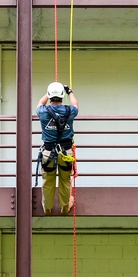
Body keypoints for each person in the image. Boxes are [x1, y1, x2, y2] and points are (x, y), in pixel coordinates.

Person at [37, 81, 79, 215]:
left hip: (48, 152)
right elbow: (75, 105)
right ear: (62, 96)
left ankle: (47, 207)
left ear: (50, 96)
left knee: (48, 180)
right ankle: (65, 206)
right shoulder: (70, 111)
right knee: (65, 180)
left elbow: (40, 103)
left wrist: (48, 94)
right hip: (66, 152)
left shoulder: (43, 112)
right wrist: (69, 91)